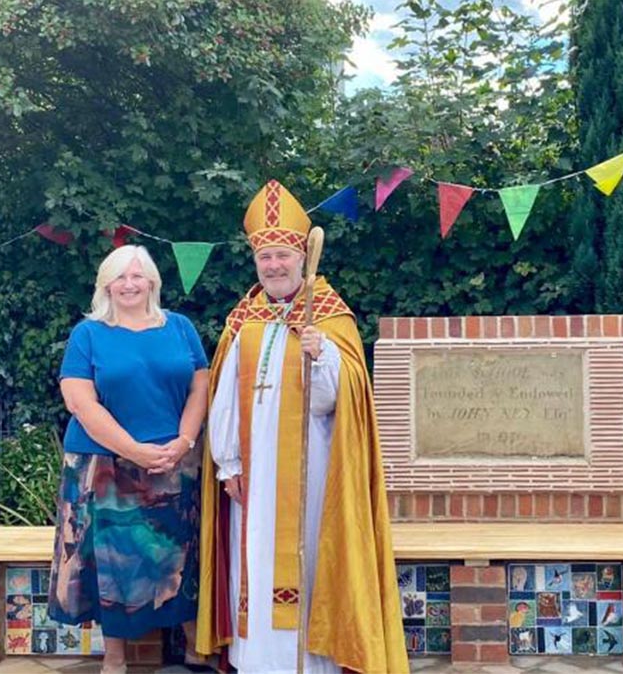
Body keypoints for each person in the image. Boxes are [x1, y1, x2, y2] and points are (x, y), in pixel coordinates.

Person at [195, 180, 407, 674]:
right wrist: (227, 464)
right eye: (264, 257)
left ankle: (310, 665)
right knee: (253, 563)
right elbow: (224, 397)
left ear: (299, 256)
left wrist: (323, 357)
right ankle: (256, 662)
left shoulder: (330, 318)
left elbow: (342, 401)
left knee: (308, 563)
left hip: (311, 476)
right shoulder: (242, 320)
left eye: (282, 256)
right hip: (251, 478)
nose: (273, 266)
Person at [47, 245, 209, 674]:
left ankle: (196, 652)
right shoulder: (89, 334)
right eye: (120, 277)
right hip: (104, 466)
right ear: (106, 285)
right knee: (111, 565)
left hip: (174, 461)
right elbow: (81, 402)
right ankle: (115, 660)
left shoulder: (180, 327)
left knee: (180, 555)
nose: (130, 284)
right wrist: (132, 450)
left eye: (138, 276)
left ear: (153, 281)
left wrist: (185, 439)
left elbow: (200, 386)